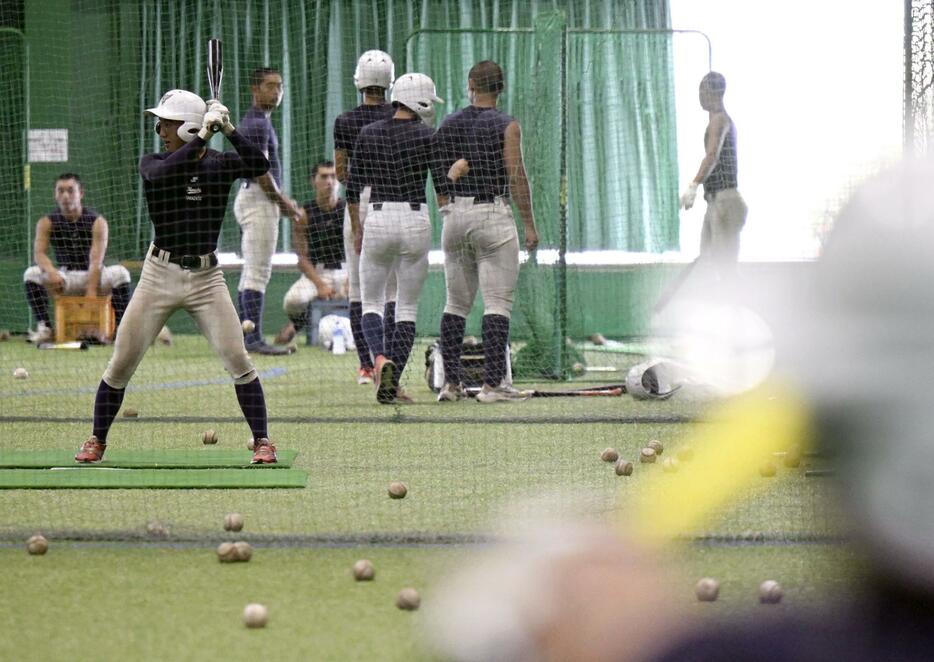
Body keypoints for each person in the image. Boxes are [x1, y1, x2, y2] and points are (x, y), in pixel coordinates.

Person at [74, 89, 279, 464]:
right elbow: (167, 172)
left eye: (167, 123)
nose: (159, 129)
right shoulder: (152, 162)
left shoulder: (220, 163)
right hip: (158, 274)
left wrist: (229, 129)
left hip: (206, 277)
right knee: (121, 362)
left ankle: (263, 441)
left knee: (238, 358)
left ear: (185, 126)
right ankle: (96, 440)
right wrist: (202, 135)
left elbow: (259, 164)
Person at [434, 60, 540, 404]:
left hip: (454, 215)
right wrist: (529, 224)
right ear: (502, 87)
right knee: (496, 302)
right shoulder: (507, 125)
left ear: (470, 84)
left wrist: (446, 206)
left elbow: (438, 173)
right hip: (492, 215)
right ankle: (494, 385)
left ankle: (451, 384)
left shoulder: (448, 124)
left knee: (455, 303)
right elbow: (516, 175)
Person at [347, 72, 449, 404]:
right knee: (405, 306)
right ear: (419, 99)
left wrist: (358, 228)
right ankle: (394, 383)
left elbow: (352, 189)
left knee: (371, 302)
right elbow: (443, 191)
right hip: (416, 217)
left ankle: (378, 359)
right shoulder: (428, 135)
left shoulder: (368, 133)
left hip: (377, 216)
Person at [334, 50, 398, 385]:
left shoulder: (345, 121)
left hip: (358, 205)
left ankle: (366, 366)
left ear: (359, 80)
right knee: (389, 292)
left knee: (359, 289)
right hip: (395, 202)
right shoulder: (401, 116)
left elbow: (341, 171)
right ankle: (387, 357)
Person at [234, 67, 301, 355]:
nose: (276, 92)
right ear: (254, 89)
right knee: (257, 273)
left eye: (280, 86)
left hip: (255, 197)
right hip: (259, 199)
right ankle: (252, 339)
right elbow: (260, 170)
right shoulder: (257, 124)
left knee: (252, 271)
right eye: (270, 86)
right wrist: (282, 201)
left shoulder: (260, 122)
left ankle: (245, 336)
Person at [23, 173, 132, 343]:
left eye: (70, 191)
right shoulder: (46, 222)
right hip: (64, 279)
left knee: (121, 273)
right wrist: (51, 272)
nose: (65, 196)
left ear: (81, 193)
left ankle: (122, 331)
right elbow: (39, 253)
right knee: (31, 273)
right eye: (60, 191)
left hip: (94, 277)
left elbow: (96, 260)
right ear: (55, 195)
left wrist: (91, 290)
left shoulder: (97, 221)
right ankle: (45, 328)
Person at [275, 160, 349, 345]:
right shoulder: (303, 214)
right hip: (317, 273)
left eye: (333, 176)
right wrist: (320, 285)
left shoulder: (348, 211)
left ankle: (360, 332)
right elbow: (302, 258)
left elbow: (360, 251)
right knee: (292, 300)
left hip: (347, 272)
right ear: (313, 181)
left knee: (371, 296)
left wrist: (350, 282)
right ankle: (300, 324)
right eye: (324, 176)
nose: (330, 181)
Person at [680, 71, 747, 270]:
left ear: (715, 92)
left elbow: (711, 156)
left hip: (726, 201)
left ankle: (734, 300)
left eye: (704, 90)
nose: (700, 95)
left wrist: (694, 184)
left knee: (723, 269)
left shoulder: (719, 120)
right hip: (716, 201)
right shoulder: (717, 120)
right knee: (709, 264)